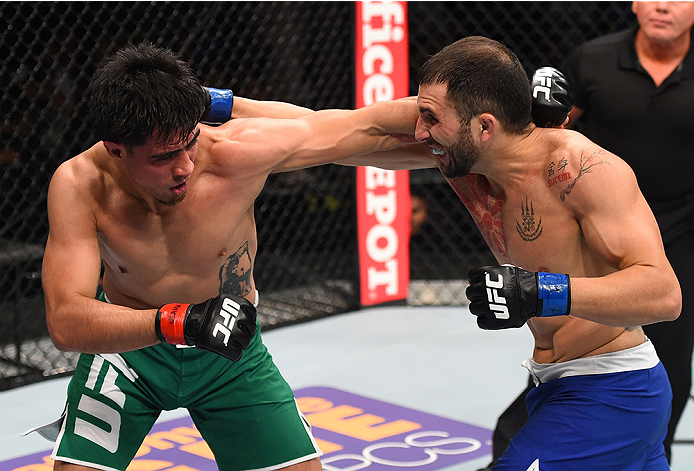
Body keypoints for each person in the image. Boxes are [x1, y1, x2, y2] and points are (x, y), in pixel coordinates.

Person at [38, 43, 426, 471]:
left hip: (230, 354)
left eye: (190, 143)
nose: (184, 166)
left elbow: (365, 128)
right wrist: (178, 321)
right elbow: (66, 321)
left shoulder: (235, 153)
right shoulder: (79, 184)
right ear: (116, 150)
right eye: (164, 157)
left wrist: (468, 132)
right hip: (130, 355)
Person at [412, 35, 681, 469]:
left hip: (611, 393)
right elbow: (343, 133)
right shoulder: (466, 159)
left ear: (485, 126)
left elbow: (664, 295)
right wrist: (259, 120)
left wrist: (540, 291)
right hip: (562, 386)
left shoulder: (580, 169)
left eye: (430, 117)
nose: (419, 131)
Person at [481, 3, 694, 467]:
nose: (662, 5)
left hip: (683, 234)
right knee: (573, 347)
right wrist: (537, 120)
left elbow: (665, 298)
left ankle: (635, 449)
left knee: (670, 360)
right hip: (596, 229)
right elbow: (544, 138)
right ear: (633, 4)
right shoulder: (593, 59)